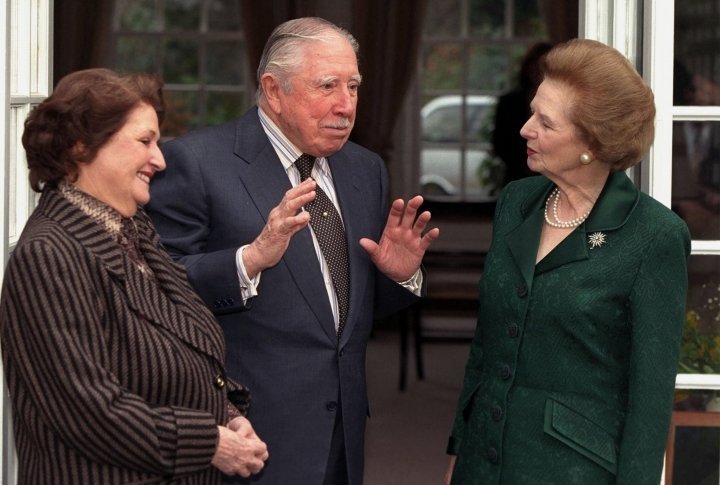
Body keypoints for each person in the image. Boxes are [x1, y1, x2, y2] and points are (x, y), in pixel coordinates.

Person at [146, 17, 439, 485]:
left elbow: (339, 312)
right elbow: (157, 291)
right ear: (273, 89)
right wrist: (250, 259)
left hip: (343, 432)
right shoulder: (197, 163)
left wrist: (398, 277)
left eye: (354, 86)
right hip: (248, 431)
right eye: (327, 86)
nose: (346, 106)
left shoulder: (366, 170)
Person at [0, 68, 269, 484]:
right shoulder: (48, 254)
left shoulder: (133, 226)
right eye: (145, 141)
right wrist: (211, 443)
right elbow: (87, 411)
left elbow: (186, 343)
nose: (160, 160)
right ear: (81, 146)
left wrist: (228, 416)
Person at [444, 39, 691, 484]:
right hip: (483, 463)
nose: (524, 129)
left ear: (591, 143)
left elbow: (650, 399)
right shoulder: (516, 202)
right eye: (531, 111)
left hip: (573, 471)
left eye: (545, 122)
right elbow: (488, 343)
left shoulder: (654, 236)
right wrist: (459, 454)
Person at [492, 41, 553, 186]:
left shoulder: (561, 103)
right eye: (535, 65)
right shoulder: (509, 101)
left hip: (551, 176)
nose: (538, 71)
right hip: (517, 174)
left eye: (544, 66)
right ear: (527, 67)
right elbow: (500, 142)